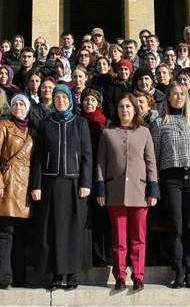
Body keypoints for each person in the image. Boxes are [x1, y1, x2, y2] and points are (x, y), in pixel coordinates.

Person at [31, 85, 93, 291]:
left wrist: (85, 183)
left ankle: (72, 274)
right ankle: (57, 274)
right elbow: (38, 158)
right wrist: (37, 185)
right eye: (57, 97)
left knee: (73, 229)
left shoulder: (80, 123)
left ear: (69, 99)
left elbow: (87, 157)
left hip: (75, 184)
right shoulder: (45, 124)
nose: (60, 101)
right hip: (51, 183)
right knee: (54, 229)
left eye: (64, 97)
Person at [95, 94, 160, 291]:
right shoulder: (108, 133)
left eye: (129, 107)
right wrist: (100, 188)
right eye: (121, 106)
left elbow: (151, 162)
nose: (125, 110)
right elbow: (100, 164)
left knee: (138, 238)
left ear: (135, 110)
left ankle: (138, 275)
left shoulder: (144, 132)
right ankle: (120, 275)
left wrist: (153, 189)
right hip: (114, 193)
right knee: (119, 239)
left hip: (140, 192)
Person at [150, 82, 190, 289]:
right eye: (174, 94)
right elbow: (154, 155)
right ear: (168, 97)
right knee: (175, 226)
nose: (178, 97)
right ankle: (178, 270)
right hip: (170, 177)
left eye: (181, 94)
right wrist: (154, 183)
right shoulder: (159, 122)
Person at [0, 94, 35, 288]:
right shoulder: (3, 126)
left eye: (21, 104)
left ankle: (20, 276)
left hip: (25, 187)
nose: (18, 106)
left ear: (27, 108)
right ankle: (4, 277)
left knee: (21, 236)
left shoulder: (33, 130)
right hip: (8, 183)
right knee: (6, 234)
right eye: (15, 103)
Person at [79, 87, 110, 266]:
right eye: (86, 100)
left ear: (98, 103)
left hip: (101, 175)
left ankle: (101, 255)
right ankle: (84, 254)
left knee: (101, 217)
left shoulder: (106, 123)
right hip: (82, 175)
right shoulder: (77, 121)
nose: (89, 103)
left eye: (92, 100)